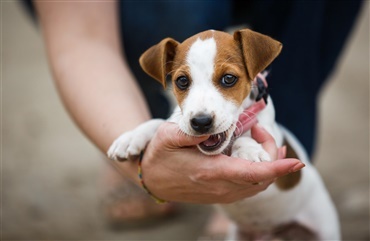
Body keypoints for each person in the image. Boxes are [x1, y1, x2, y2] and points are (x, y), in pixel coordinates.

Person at [29, 0, 361, 230]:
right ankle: (148, 154)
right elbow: (81, 38)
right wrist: (138, 142)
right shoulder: (170, 64)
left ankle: (245, 187)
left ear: (258, 72)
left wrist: (247, 146)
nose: (201, 111)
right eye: (183, 82)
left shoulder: (257, 73)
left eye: (227, 80)